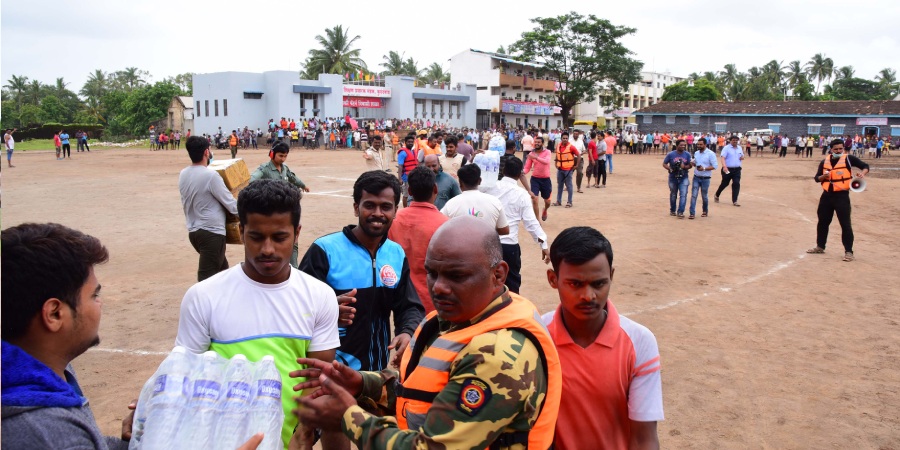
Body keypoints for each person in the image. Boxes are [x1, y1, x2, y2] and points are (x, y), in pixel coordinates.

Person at [290, 216, 562, 450]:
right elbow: (421, 389)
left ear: (498, 275)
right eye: (432, 273)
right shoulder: (452, 320)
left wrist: (349, 417)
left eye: (457, 276)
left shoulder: (499, 355)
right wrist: (363, 384)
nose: (438, 287)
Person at [176, 179, 339, 448]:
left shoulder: (320, 296)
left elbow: (316, 378)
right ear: (241, 232)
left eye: (279, 237)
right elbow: (184, 374)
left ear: (297, 233)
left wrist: (304, 432)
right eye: (256, 237)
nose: (267, 249)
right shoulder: (203, 297)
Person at [1, 223, 130, 449]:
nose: (100, 303)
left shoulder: (48, 369)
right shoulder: (48, 433)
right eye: (93, 295)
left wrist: (142, 439)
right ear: (54, 313)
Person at [541, 226, 663, 450]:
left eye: (598, 284)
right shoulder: (538, 337)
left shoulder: (639, 342)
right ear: (553, 279)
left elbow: (644, 438)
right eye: (575, 284)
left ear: (611, 276)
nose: (588, 296)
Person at [299, 170, 425, 373]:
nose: (378, 213)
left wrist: (407, 331)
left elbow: (408, 305)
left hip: (375, 375)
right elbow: (297, 307)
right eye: (369, 205)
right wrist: (328, 312)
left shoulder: (396, 253)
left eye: (386, 207)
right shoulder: (325, 250)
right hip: (330, 372)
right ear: (356, 208)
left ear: (395, 210)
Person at [482, 157, 550, 294]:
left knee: (485, 284)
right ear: (520, 174)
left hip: (486, 244)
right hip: (509, 246)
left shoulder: (488, 188)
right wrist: (544, 245)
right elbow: (531, 224)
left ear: (503, 170)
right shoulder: (522, 194)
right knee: (511, 287)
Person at [388, 166, 448, 313]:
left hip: (401, 299)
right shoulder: (446, 225)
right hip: (432, 299)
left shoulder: (393, 220)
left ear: (409, 191)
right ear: (435, 189)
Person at [179, 135, 238, 281]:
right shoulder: (211, 176)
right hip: (212, 233)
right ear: (206, 152)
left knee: (222, 273)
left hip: (194, 232)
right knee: (206, 278)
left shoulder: (183, 173)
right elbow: (231, 205)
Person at [806, 139, 870, 262]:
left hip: (842, 197)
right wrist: (823, 176)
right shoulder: (824, 161)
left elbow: (865, 166)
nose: (839, 151)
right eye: (836, 149)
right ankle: (820, 246)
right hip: (826, 196)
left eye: (841, 148)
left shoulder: (849, 159)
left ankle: (849, 252)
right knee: (823, 222)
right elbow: (816, 178)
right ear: (831, 149)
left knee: (845, 224)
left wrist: (863, 173)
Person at [250, 141, 311, 267]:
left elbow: (293, 178)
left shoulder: (284, 168)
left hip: (287, 210)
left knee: (293, 242)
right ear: (272, 154)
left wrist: (303, 185)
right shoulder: (264, 169)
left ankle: (294, 268)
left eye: (285, 156)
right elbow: (252, 180)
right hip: (272, 212)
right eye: (280, 156)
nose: (283, 159)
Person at [440, 163, 509, 235]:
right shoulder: (494, 202)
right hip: (486, 241)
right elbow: (504, 230)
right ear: (480, 180)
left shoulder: (451, 204)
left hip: (460, 241)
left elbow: (440, 227)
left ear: (460, 182)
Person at [525, 135, 553, 221]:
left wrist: (536, 157)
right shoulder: (531, 154)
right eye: (535, 142)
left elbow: (546, 161)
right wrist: (521, 173)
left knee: (547, 201)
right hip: (535, 179)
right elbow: (527, 167)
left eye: (539, 142)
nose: (537, 143)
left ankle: (545, 210)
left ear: (542, 143)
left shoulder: (547, 152)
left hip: (545, 179)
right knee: (534, 199)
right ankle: (537, 221)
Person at [688, 138, 718, 219]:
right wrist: (693, 163)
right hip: (696, 177)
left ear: (705, 144)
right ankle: (692, 213)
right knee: (694, 195)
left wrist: (704, 168)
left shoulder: (710, 154)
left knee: (704, 196)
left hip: (706, 178)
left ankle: (705, 211)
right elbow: (696, 163)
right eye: (698, 144)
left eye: (701, 144)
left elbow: (715, 166)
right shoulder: (696, 153)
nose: (699, 146)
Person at [663, 139, 693, 218]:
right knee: (673, 194)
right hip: (673, 177)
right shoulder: (671, 154)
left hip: (684, 177)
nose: (683, 146)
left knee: (683, 194)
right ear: (677, 146)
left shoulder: (687, 154)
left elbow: (690, 165)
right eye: (681, 145)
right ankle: (673, 210)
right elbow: (664, 164)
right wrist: (670, 169)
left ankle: (680, 212)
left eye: (684, 145)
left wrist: (684, 167)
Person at [714, 135, 744, 207]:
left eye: (736, 140)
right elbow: (723, 158)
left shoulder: (739, 148)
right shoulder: (726, 148)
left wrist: (742, 157)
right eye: (733, 140)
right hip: (727, 169)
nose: (735, 141)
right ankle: (717, 194)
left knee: (736, 183)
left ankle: (735, 200)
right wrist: (724, 167)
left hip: (737, 170)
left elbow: (742, 156)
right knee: (725, 183)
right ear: (730, 141)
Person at [553, 131, 579, 208]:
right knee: (560, 185)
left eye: (566, 138)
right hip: (560, 169)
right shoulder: (558, 145)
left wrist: (576, 165)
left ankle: (569, 202)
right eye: (563, 138)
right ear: (561, 138)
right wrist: (556, 162)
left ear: (568, 139)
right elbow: (557, 155)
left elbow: (578, 155)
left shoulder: (571, 147)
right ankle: (558, 201)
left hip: (568, 169)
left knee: (569, 186)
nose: (565, 139)